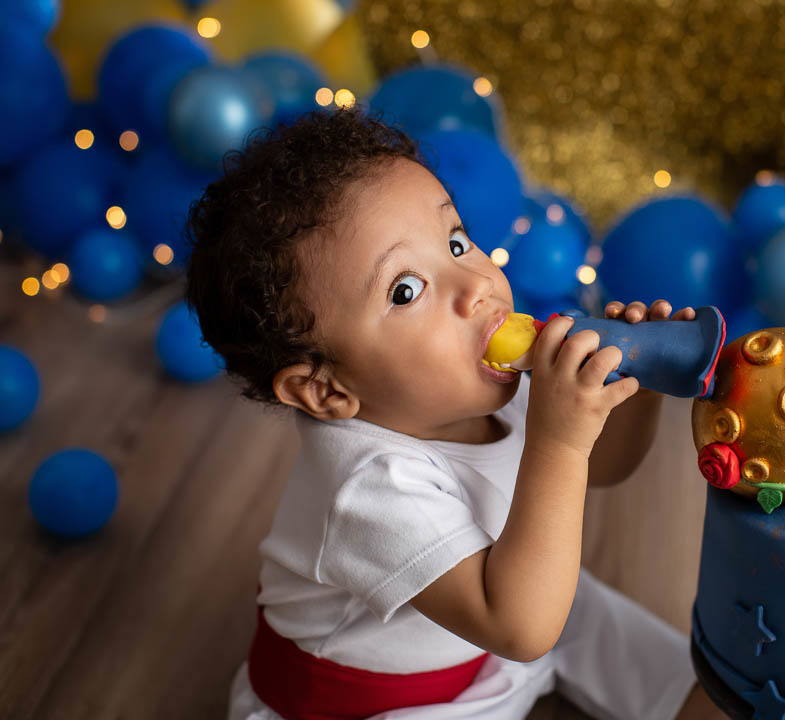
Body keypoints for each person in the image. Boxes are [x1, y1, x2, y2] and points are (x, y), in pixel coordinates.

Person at [185, 107, 726, 720]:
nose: (474, 287)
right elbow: (520, 627)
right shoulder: (369, 486)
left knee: (588, 611)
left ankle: (685, 696)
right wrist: (560, 441)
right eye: (405, 290)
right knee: (548, 606)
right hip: (381, 703)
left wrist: (637, 384)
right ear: (327, 391)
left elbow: (601, 469)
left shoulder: (470, 383)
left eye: (456, 242)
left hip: (489, 629)